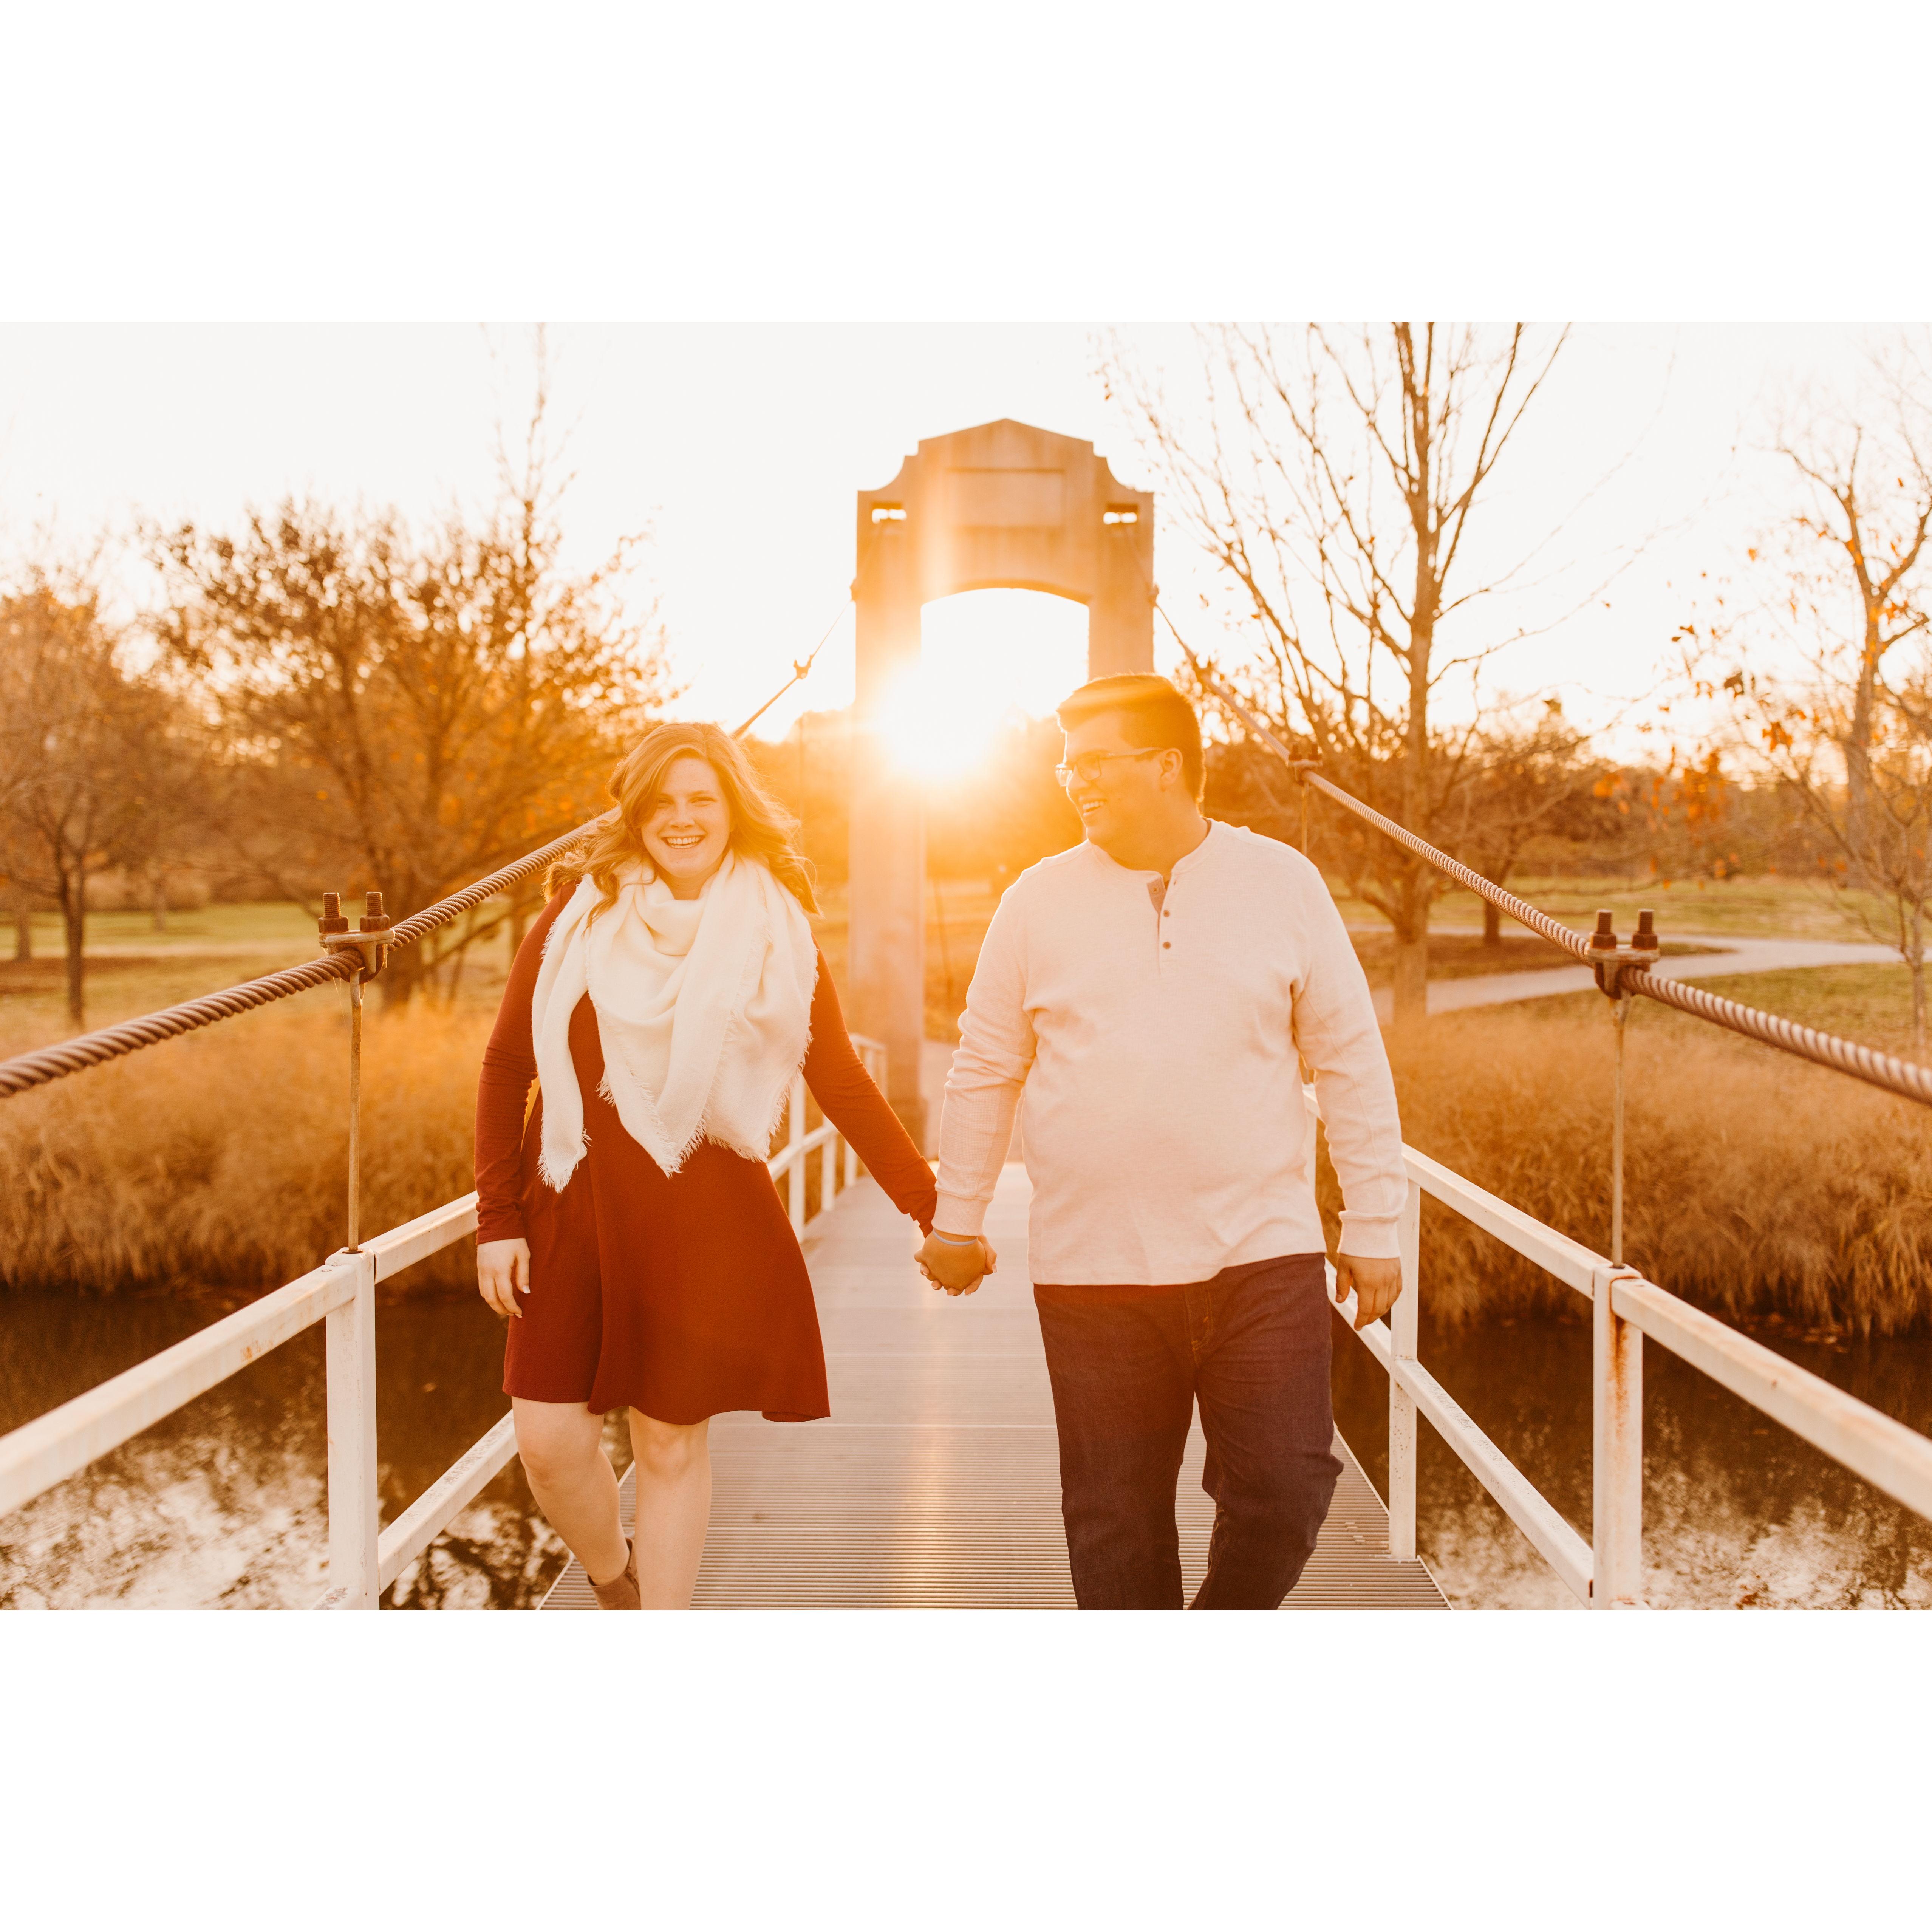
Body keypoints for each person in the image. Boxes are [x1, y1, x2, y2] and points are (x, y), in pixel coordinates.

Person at [916, 673, 1408, 1610]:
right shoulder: (1034, 901)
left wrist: (1375, 1220)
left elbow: (1348, 1057)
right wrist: (957, 1217)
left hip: (1261, 1252)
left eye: (1094, 761)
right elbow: (985, 1067)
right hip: (1091, 1268)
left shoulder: (1283, 883)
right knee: (1114, 1520)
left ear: (1168, 765)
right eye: (1066, 764)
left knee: (1287, 1487)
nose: (1073, 780)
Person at [473, 721, 936, 1609]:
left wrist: (927, 1202)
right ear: (635, 811)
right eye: (662, 801)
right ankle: (616, 1577)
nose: (681, 818)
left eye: (701, 799)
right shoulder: (575, 913)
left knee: (670, 1444)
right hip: (570, 1198)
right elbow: (506, 1066)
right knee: (547, 1440)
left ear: (732, 809)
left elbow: (834, 1073)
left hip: (702, 1209)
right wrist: (497, 1219)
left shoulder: (775, 927)